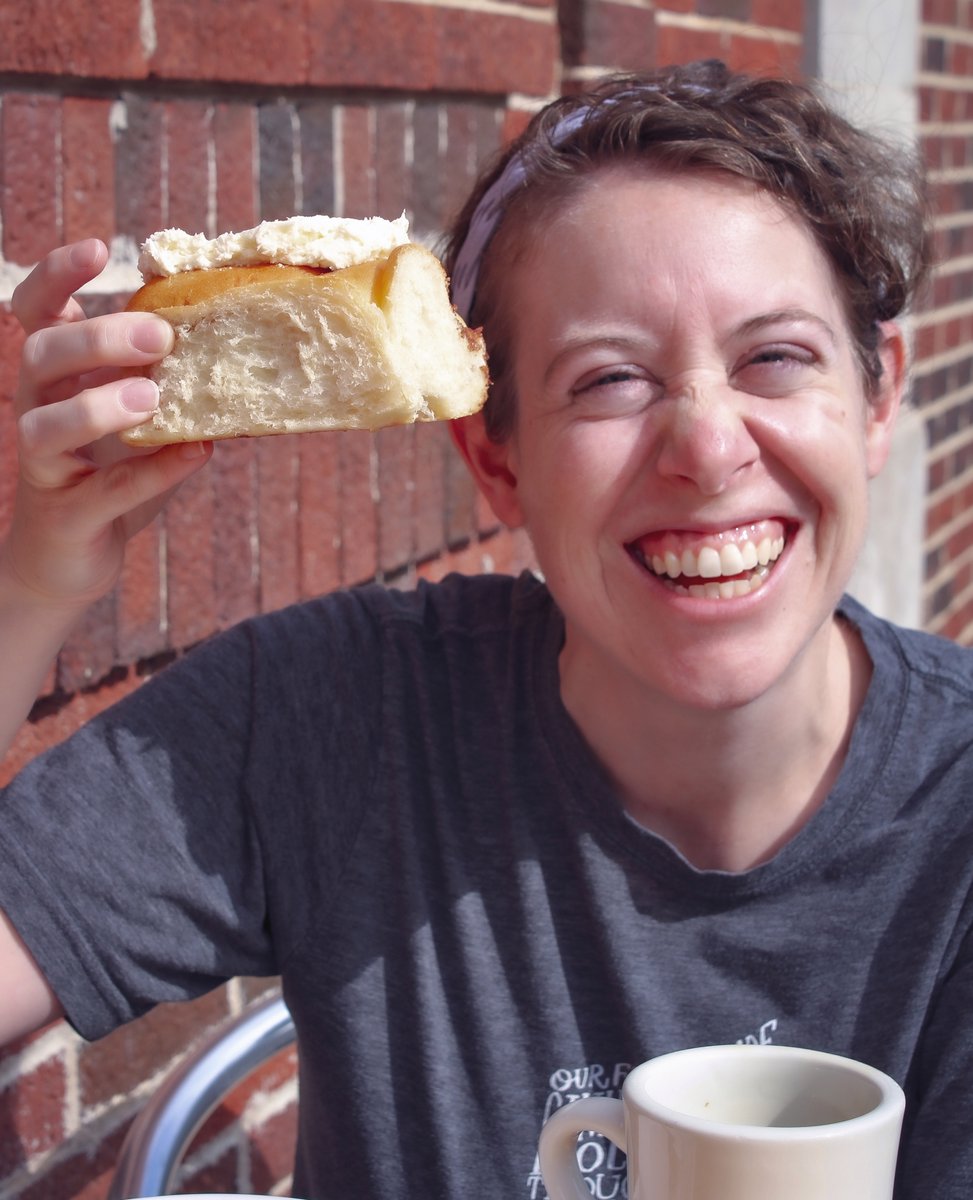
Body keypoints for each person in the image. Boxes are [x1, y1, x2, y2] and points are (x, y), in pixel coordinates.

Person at [1, 58, 970, 1199]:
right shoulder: (337, 716)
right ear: (497, 461)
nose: (707, 450)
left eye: (773, 357)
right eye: (609, 380)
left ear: (874, 394)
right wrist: (33, 584)